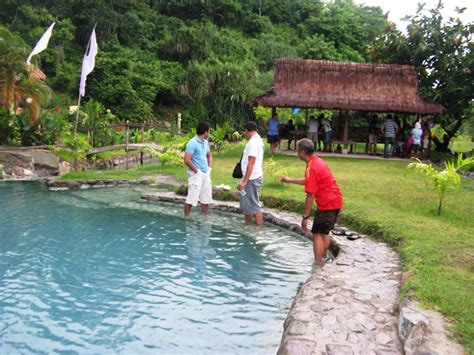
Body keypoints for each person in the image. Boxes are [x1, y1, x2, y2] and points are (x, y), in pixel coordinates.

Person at [280, 139, 343, 264]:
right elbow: (310, 181)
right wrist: (290, 180)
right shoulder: (316, 161)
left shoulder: (312, 167)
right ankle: (323, 258)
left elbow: (310, 195)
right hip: (335, 200)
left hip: (327, 203)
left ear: (302, 152)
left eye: (297, 150)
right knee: (324, 232)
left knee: (317, 234)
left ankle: (317, 263)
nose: (296, 153)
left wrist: (305, 217)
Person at [237, 121, 265, 226]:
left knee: (254, 204)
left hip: (252, 177)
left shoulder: (253, 143)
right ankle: (248, 225)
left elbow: (251, 162)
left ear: (246, 131)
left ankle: (258, 228)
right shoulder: (258, 140)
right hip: (252, 176)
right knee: (247, 204)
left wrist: (244, 181)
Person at [183, 121, 213, 217]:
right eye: (209, 131)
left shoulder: (205, 142)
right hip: (196, 175)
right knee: (191, 198)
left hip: (206, 174)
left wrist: (209, 168)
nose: (209, 133)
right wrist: (197, 171)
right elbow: (187, 160)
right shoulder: (192, 143)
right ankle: (186, 217)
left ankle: (205, 217)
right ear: (205, 132)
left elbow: (209, 156)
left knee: (206, 197)